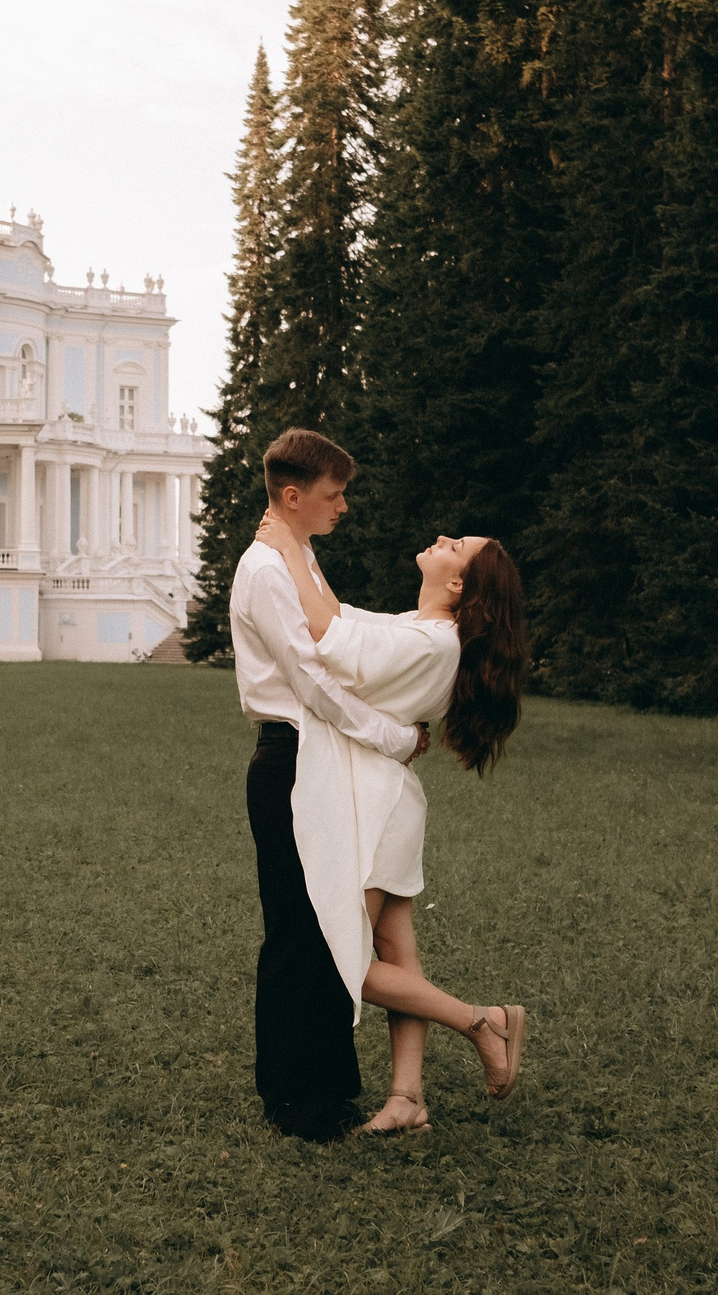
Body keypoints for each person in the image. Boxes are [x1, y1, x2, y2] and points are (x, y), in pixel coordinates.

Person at [231, 427, 528, 1139]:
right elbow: (340, 638)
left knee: (332, 948)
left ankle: (477, 1024)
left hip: (355, 776)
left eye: (457, 546)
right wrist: (288, 550)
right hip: (336, 767)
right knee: (373, 947)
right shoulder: (296, 569)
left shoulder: (426, 635)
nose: (344, 507)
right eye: (335, 496)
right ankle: (405, 1096)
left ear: (459, 585)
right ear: (296, 496)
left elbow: (328, 650)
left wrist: (290, 549)